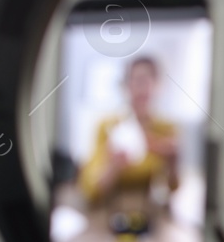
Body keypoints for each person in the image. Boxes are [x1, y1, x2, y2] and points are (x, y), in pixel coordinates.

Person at [77, 55, 180, 213]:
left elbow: (172, 189)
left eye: (149, 79)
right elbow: (89, 190)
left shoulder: (165, 129)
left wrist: (173, 163)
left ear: (158, 84)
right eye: (137, 80)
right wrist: (112, 167)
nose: (143, 87)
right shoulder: (108, 127)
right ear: (126, 85)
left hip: (147, 213)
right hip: (109, 211)